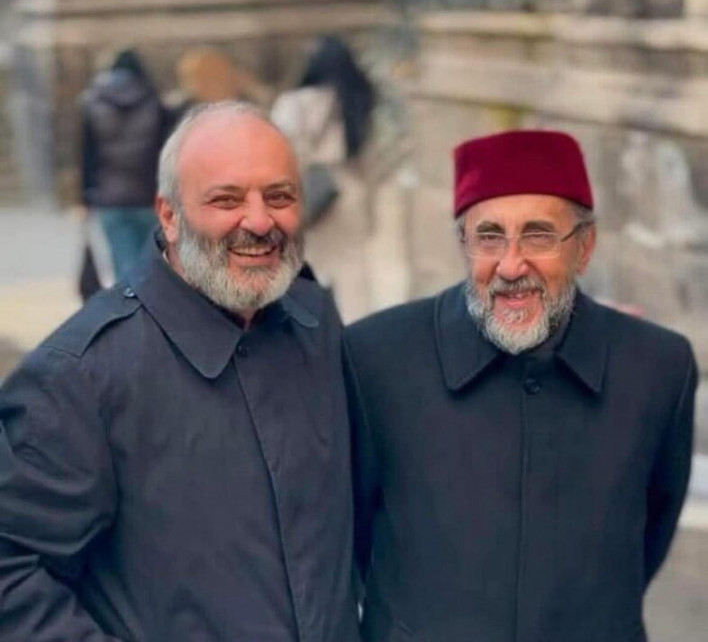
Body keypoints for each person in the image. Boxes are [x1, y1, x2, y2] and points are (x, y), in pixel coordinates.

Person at [0, 102, 360, 642]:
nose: (259, 221)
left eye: (279, 196)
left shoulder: (316, 322)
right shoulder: (79, 377)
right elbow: (11, 571)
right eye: (226, 199)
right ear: (168, 216)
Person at [345, 129, 696, 642]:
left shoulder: (659, 367)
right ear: (464, 244)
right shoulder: (374, 356)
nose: (511, 265)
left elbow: (650, 532)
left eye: (538, 235)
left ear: (584, 247)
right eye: (489, 236)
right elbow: (351, 536)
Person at [271, 35, 376, 322]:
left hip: (309, 191)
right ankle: (357, 333)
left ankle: (313, 333)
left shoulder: (293, 103)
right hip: (350, 189)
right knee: (353, 270)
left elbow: (278, 153)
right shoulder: (359, 101)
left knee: (308, 267)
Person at [80, 49, 167, 282]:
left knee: (122, 263)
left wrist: (85, 197)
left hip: (110, 197)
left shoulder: (93, 102)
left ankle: (129, 302)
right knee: (153, 261)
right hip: (148, 195)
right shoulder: (153, 99)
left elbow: (87, 154)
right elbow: (164, 151)